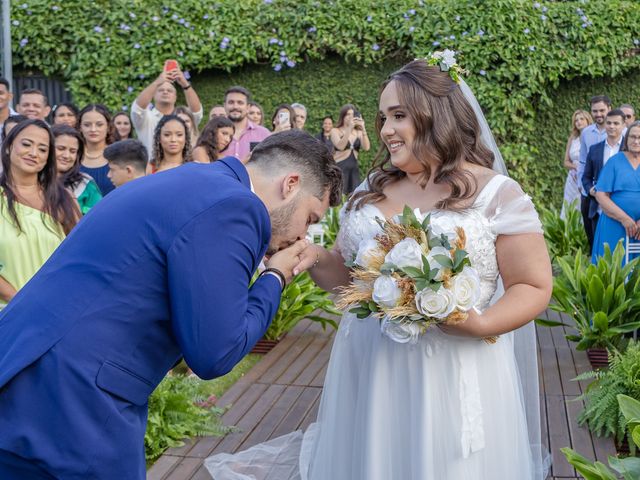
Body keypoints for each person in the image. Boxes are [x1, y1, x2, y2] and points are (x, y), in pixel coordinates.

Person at [207, 57, 552, 480]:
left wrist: (480, 323)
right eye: (383, 116)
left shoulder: (497, 193)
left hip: (456, 370)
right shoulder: (372, 190)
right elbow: (348, 280)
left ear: (437, 115)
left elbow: (532, 286)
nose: (386, 129)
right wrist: (313, 256)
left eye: (399, 116)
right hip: (373, 363)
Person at [0, 129, 342, 479]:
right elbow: (216, 352)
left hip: (27, 370)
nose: (302, 236)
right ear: (290, 184)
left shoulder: (195, 180)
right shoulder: (237, 206)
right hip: (73, 403)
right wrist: (276, 277)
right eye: (310, 218)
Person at [0, 119, 79, 307]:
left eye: (43, 149)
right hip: (7, 313)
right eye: (26, 144)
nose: (34, 153)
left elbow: (81, 252)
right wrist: (18, 300)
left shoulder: (62, 199)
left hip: (54, 310)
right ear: (9, 146)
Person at [592, 121, 640, 264]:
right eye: (632, 137)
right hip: (615, 223)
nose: (636, 141)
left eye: (639, 137)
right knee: (613, 265)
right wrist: (624, 218)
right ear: (626, 138)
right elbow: (601, 195)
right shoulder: (614, 161)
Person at [130, 62, 203, 156]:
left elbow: (196, 112)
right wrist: (157, 82)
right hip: (151, 169)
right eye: (160, 90)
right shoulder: (146, 119)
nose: (165, 92)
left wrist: (185, 84)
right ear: (153, 95)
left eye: (169, 90)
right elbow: (138, 108)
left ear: (175, 97)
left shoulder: (183, 118)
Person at [582, 109, 626, 252]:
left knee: (622, 251)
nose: (612, 126)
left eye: (616, 123)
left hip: (624, 209)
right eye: (609, 123)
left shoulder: (630, 149)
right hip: (598, 208)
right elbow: (586, 177)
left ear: (623, 125)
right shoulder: (594, 149)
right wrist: (591, 190)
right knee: (600, 250)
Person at [578, 95, 611, 247]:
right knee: (589, 222)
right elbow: (582, 160)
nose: (598, 114)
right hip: (589, 188)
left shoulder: (618, 131)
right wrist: (582, 184)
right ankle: (593, 254)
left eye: (602, 110)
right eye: (595, 111)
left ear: (609, 109)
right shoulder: (586, 132)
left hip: (611, 188)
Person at [53, 125, 102, 214]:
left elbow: (98, 218)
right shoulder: (31, 180)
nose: (66, 156)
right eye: (61, 149)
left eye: (72, 151)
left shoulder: (85, 184)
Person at [221, 86, 271, 162]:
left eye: (240, 103)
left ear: (248, 107)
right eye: (231, 102)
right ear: (224, 106)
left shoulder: (263, 134)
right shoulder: (213, 133)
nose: (235, 106)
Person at [331, 103, 371, 194]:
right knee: (338, 195)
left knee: (353, 196)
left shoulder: (358, 132)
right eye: (348, 114)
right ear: (343, 116)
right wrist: (349, 128)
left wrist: (363, 128)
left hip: (353, 169)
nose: (350, 117)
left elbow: (367, 147)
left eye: (352, 114)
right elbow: (340, 146)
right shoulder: (335, 131)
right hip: (340, 167)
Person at [561, 109, 593, 218]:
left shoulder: (593, 136)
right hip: (572, 178)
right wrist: (575, 166)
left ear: (588, 120)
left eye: (581, 119)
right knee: (570, 205)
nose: (579, 122)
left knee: (584, 205)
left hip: (588, 176)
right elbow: (565, 162)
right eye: (576, 120)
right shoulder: (572, 138)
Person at [78, 104, 115, 196]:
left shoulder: (118, 155)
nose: (93, 129)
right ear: (80, 128)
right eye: (87, 125)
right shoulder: (72, 155)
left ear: (108, 127)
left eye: (99, 125)